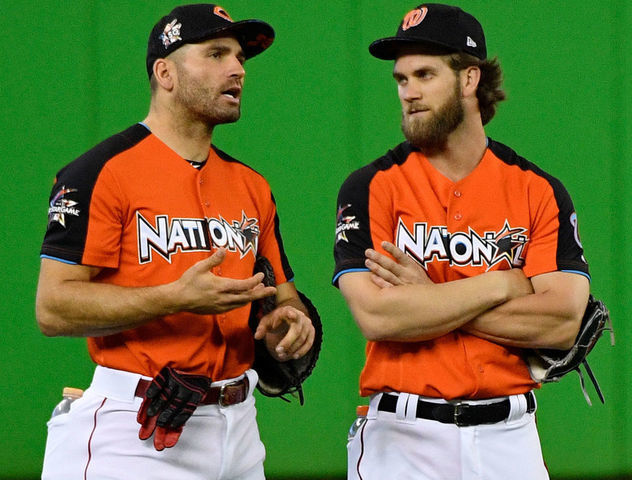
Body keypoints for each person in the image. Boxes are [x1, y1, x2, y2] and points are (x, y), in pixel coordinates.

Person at [36, 4, 316, 479]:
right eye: (216, 54)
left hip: (239, 428)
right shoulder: (100, 172)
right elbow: (53, 308)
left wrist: (290, 324)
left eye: (240, 59)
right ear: (164, 73)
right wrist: (174, 298)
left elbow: (283, 302)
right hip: (135, 428)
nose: (237, 69)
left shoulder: (252, 186)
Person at [333, 4, 590, 479]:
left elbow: (561, 324)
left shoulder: (538, 190)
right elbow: (378, 314)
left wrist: (429, 298)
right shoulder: (371, 187)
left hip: (510, 439)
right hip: (401, 440)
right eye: (401, 79)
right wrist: (503, 283)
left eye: (425, 74)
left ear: (470, 79)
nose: (408, 93)